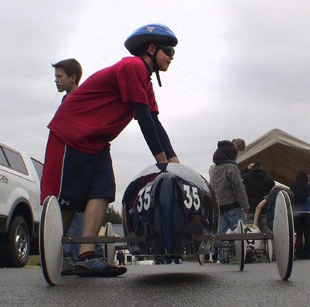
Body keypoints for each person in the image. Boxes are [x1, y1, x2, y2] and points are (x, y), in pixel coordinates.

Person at [41, 23, 180, 277]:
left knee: (103, 191)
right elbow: (143, 118)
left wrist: (173, 162)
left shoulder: (146, 81)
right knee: (69, 199)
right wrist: (162, 162)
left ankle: (85, 255)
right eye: (169, 51)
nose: (172, 57)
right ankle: (54, 257)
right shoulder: (133, 66)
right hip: (72, 132)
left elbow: (155, 122)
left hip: (97, 141)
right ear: (151, 48)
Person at [50, 58, 85, 275]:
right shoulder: (65, 102)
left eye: (59, 77)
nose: (56, 81)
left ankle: (76, 254)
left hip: (79, 160)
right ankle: (68, 256)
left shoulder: (81, 99)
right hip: (69, 161)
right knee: (71, 208)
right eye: (55, 77)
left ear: (73, 77)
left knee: (77, 209)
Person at [209, 139, 249, 263]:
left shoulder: (214, 168)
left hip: (220, 205)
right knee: (239, 231)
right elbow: (239, 187)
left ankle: (221, 257)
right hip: (233, 205)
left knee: (220, 233)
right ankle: (240, 255)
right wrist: (245, 204)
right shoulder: (231, 167)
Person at [242, 160, 275, 226]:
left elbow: (238, 177)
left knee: (250, 231)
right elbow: (272, 192)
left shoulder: (247, 176)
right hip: (264, 209)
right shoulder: (269, 178)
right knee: (266, 232)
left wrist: (246, 169)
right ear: (261, 167)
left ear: (252, 167)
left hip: (251, 208)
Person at [291, 170, 310, 260]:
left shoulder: (293, 187)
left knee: (298, 233)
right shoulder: (308, 187)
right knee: (307, 233)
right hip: (307, 211)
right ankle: (307, 253)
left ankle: (299, 253)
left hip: (297, 212)